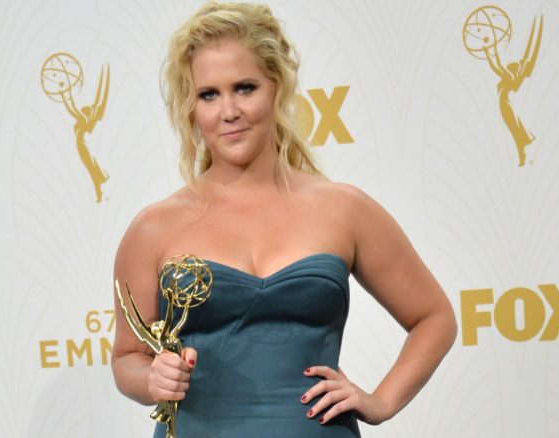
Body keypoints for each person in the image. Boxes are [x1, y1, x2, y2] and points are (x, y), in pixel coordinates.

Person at [111, 2, 457, 437]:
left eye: (245, 87)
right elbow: (127, 358)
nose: (228, 111)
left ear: (277, 87)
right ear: (191, 107)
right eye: (209, 94)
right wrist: (151, 379)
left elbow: (434, 317)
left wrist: (382, 400)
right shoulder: (154, 228)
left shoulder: (343, 208)